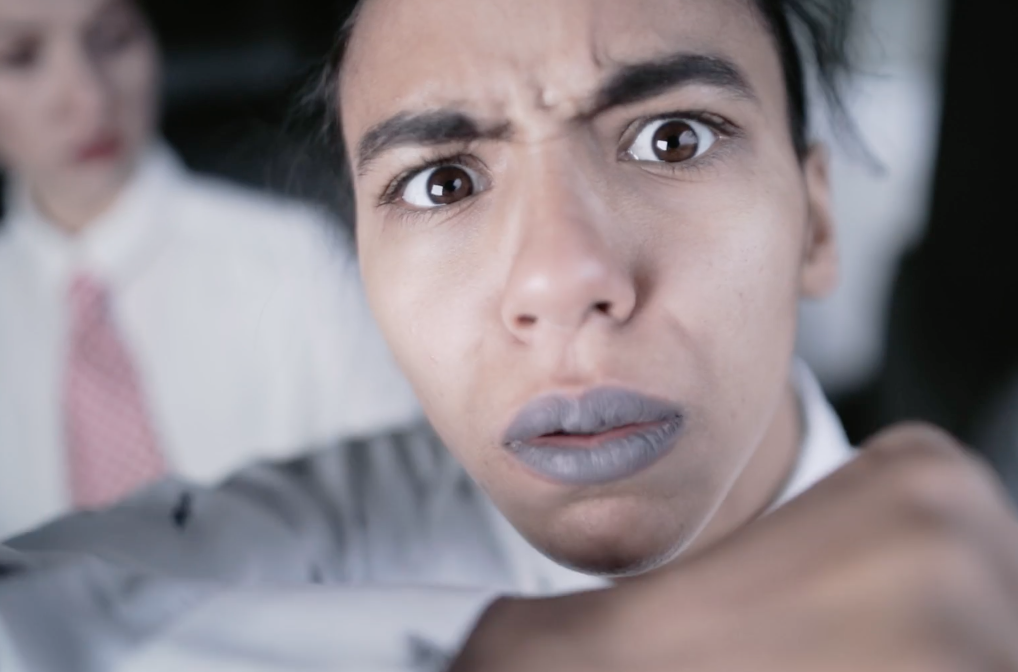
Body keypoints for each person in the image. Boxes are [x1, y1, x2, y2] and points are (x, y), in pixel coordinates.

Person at [2, 0, 1018, 670]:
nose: (561, 282)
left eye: (671, 138)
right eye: (442, 183)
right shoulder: (327, 533)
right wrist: (576, 651)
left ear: (816, 222)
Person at [0, 0, 420, 537]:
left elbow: (404, 506)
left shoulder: (294, 257)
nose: (86, 96)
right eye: (20, 57)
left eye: (113, 40)